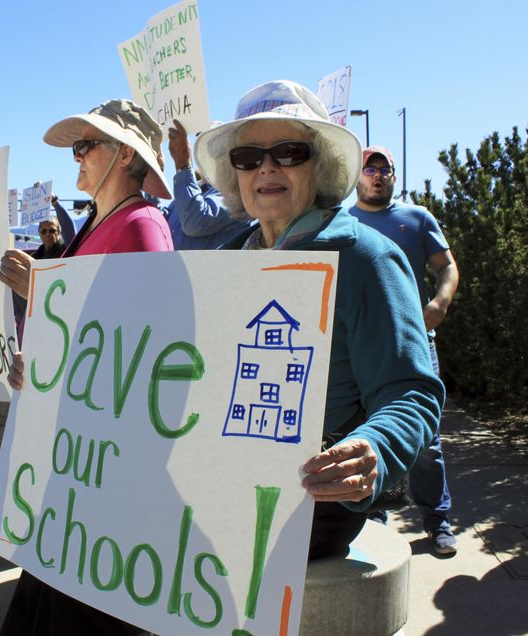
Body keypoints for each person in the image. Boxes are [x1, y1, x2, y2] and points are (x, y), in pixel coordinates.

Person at [192, 80, 445, 560]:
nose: (266, 166)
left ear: (321, 165)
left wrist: (375, 447)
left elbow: (412, 390)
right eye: (247, 157)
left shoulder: (366, 258)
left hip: (309, 497)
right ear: (234, 174)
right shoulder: (223, 261)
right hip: (214, 478)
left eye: (289, 152)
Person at [0, 98, 173, 635]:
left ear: (123, 154)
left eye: (85, 146)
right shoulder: (102, 224)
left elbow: (143, 353)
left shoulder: (142, 228)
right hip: (77, 465)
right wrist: (40, 365)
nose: (76, 159)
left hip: (106, 479)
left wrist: (41, 294)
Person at [349, 145, 460, 555]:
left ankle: (438, 521)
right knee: (373, 432)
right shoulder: (344, 223)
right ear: (356, 176)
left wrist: (440, 303)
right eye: (368, 168)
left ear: (394, 176)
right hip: (364, 349)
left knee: (426, 441)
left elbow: (446, 266)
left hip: (416, 346)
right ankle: (378, 516)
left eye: (384, 168)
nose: (376, 175)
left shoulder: (416, 218)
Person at [163, 118, 250, 249]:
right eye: (203, 143)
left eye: (216, 144)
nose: (208, 151)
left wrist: (183, 166)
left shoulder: (235, 193)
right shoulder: (191, 191)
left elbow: (195, 222)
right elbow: (161, 221)